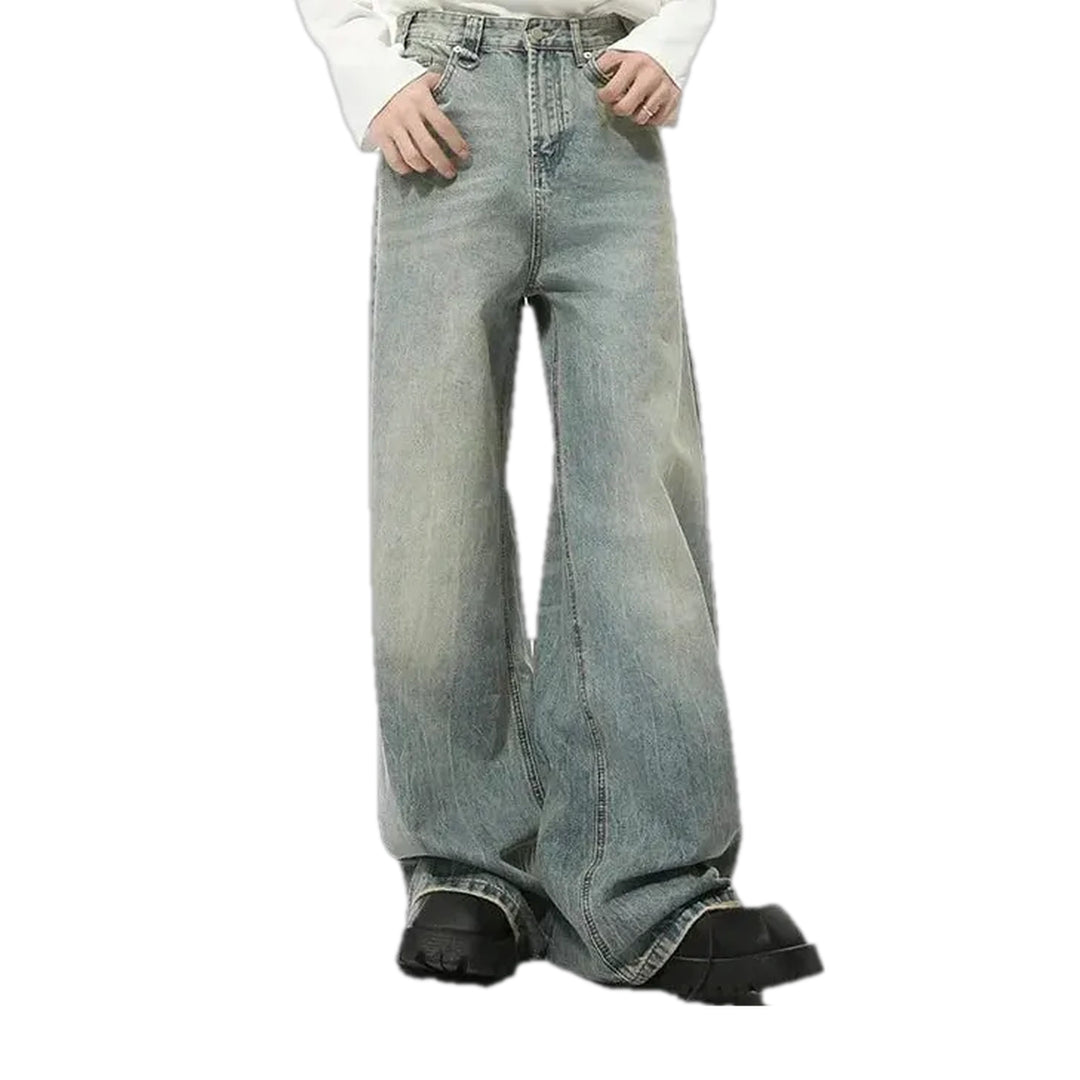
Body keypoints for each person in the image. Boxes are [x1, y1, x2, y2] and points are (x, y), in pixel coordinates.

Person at [296, 0, 822, 1005]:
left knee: (638, 496)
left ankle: (652, 885)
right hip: (444, 101)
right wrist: (369, 69)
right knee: (432, 497)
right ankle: (469, 868)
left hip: (610, 98)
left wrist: (670, 37)